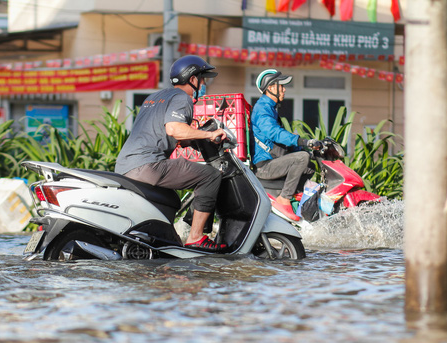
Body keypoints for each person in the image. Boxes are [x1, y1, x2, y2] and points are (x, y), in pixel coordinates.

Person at [115, 55, 227, 252]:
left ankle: (163, 241)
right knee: (210, 176)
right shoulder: (182, 98)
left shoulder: (155, 97)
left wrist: (194, 140)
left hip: (126, 166)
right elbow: (174, 129)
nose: (203, 84)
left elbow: (175, 135)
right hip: (148, 165)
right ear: (192, 79)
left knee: (172, 200)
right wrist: (209, 135)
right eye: (202, 79)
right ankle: (196, 237)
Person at [250, 68, 322, 222]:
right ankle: (284, 199)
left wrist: (308, 147)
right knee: (302, 158)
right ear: (270, 88)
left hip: (273, 161)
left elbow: (281, 143)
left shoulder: (270, 108)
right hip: (265, 166)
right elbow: (274, 133)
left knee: (309, 163)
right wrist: (302, 142)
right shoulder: (262, 109)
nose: (284, 89)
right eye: (280, 86)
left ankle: (297, 201)